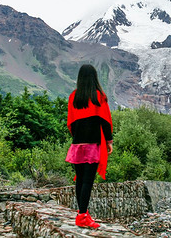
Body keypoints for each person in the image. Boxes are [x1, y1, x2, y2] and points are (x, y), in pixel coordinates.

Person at [65, 64, 113, 229]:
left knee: (80, 180)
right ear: (94, 78)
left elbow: (70, 122)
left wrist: (77, 137)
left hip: (77, 145)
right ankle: (82, 215)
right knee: (87, 181)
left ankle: (81, 213)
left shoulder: (73, 97)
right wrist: (109, 141)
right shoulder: (99, 96)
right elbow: (105, 120)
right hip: (93, 144)